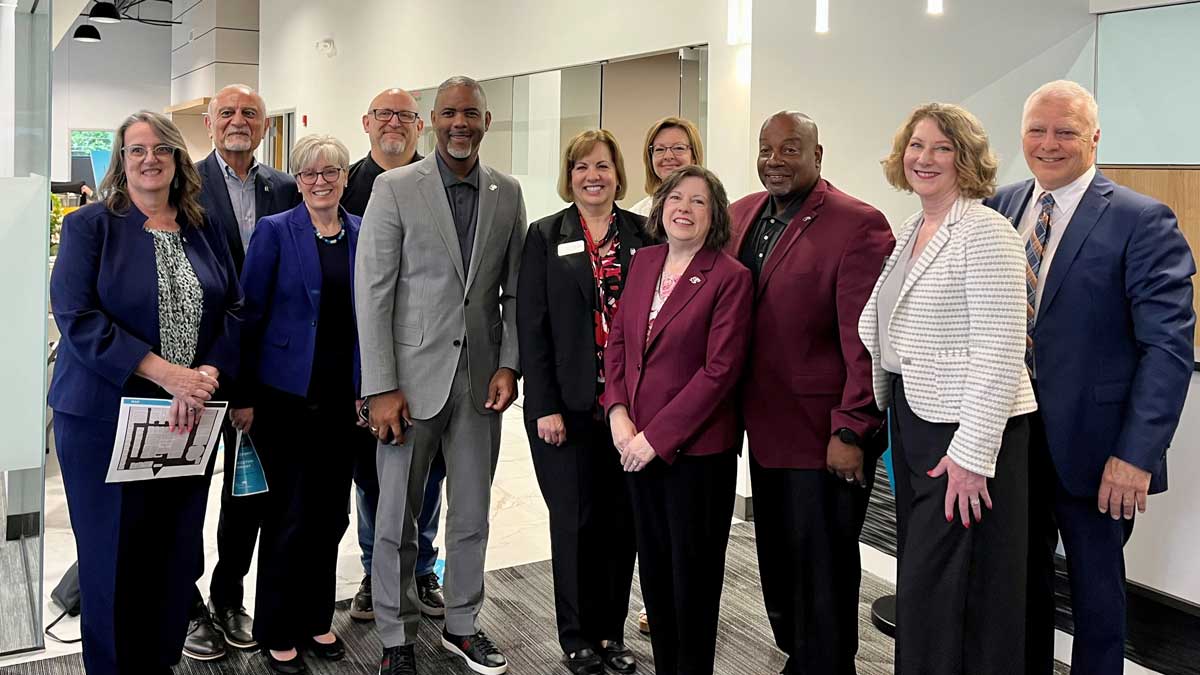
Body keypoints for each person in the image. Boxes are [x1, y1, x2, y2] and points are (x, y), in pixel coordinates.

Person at [984, 80, 1196, 675]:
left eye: (1066, 132)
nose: (1049, 144)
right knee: (1016, 591)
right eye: (1037, 130)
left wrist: (1136, 455)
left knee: (1096, 600)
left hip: (1098, 455)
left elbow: (1168, 350)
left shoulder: (1142, 219)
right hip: (1010, 443)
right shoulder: (1001, 208)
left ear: (1094, 138)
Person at [47, 110, 243, 675]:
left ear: (179, 157)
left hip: (187, 418)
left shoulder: (203, 226)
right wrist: (166, 373)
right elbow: (78, 317)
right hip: (104, 420)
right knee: (113, 560)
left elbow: (232, 306)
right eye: (137, 150)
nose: (150, 158)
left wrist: (205, 373)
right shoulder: (92, 226)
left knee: (172, 556)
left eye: (161, 148)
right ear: (121, 162)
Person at [356, 75, 527, 675]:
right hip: (406, 382)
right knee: (396, 516)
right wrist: (379, 386)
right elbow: (373, 291)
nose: (461, 123)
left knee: (472, 513)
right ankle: (395, 637)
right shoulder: (395, 188)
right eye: (450, 113)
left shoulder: (508, 192)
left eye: (471, 114)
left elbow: (513, 292)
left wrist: (509, 363)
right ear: (432, 120)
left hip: (480, 382)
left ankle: (462, 625)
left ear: (487, 120)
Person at [859, 102, 1037, 674]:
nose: (925, 158)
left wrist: (971, 454)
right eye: (916, 145)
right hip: (915, 418)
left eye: (942, 148)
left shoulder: (985, 230)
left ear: (967, 159)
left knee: (952, 587)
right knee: (928, 580)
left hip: (967, 432)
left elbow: (1002, 349)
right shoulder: (915, 227)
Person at [728, 111, 893, 675]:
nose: (774, 159)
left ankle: (826, 664)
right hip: (763, 428)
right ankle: (801, 656)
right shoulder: (742, 213)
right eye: (766, 148)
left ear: (817, 157)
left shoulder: (858, 224)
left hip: (823, 435)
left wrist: (852, 427)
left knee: (822, 566)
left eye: (790, 149)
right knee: (779, 559)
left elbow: (865, 342)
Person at [604, 164, 753, 675]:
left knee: (692, 582)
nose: (684, 209)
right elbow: (620, 341)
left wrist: (654, 439)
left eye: (698, 202)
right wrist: (618, 413)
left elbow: (720, 372)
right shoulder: (644, 262)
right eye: (675, 198)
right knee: (657, 577)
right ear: (660, 206)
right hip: (636, 445)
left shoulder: (730, 278)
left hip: (696, 457)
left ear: (714, 218)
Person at [230, 134, 364, 674]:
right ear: (297, 181)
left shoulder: (362, 233)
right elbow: (247, 313)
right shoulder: (275, 231)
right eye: (308, 174)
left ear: (346, 177)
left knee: (331, 515)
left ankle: (314, 616)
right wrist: (241, 394)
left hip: (341, 399)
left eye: (330, 172)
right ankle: (277, 626)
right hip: (283, 397)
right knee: (287, 516)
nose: (320, 182)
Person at [517, 129, 647, 675]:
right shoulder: (545, 235)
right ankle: (575, 637)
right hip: (564, 411)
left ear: (619, 173)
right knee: (573, 522)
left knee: (621, 525)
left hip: (629, 412)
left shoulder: (646, 234)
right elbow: (532, 325)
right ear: (568, 176)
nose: (593, 176)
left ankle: (610, 634)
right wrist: (543, 403)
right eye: (581, 167)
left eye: (603, 165)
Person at [188, 83, 300, 660]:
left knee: (246, 493)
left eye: (249, 113)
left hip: (262, 370)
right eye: (227, 112)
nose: (238, 120)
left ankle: (229, 596)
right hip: (196, 368)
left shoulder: (284, 187)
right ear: (209, 124)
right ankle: (187, 605)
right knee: (183, 492)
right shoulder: (185, 185)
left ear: (263, 125)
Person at [339, 87, 447, 624]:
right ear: (367, 121)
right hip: (368, 359)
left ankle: (424, 567)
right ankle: (374, 572)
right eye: (384, 114)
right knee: (374, 473)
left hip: (432, 360)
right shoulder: (345, 186)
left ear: (419, 125)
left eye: (405, 115)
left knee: (431, 473)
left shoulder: (438, 184)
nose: (394, 124)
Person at [627, 116, 704, 219]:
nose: (668, 156)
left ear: (694, 156)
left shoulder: (720, 208)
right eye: (659, 149)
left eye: (678, 148)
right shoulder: (636, 215)